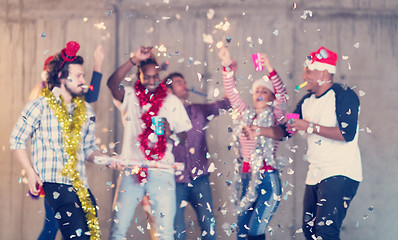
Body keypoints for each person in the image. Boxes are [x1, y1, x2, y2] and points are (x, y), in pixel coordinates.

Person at [10, 41, 121, 240]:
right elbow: (16, 140)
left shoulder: (86, 110)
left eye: (84, 75)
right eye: (78, 75)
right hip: (56, 184)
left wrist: (107, 159)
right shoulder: (39, 106)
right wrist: (30, 172)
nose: (83, 80)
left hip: (81, 187)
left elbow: (88, 149)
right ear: (62, 77)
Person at [107, 46, 192, 240]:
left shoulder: (171, 101)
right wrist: (133, 59)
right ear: (139, 76)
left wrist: (170, 132)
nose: (153, 81)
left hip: (162, 170)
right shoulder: (129, 96)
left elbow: (184, 138)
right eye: (148, 77)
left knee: (165, 234)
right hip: (132, 169)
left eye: (156, 77)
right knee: (118, 231)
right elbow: (112, 84)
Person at [286, 46, 362, 240]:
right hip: (315, 174)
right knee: (310, 231)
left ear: (324, 71)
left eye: (308, 71)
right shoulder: (305, 101)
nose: (304, 77)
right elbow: (286, 129)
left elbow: (347, 133)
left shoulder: (344, 95)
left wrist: (309, 126)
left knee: (325, 232)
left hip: (340, 172)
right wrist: (259, 129)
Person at [32, 44, 105, 240]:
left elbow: (89, 95)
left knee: (59, 226)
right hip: (54, 176)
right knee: (53, 225)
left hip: (69, 177)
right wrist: (97, 63)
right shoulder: (46, 101)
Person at [218, 46, 287, 240]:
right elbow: (231, 93)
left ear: (271, 97)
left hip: (266, 177)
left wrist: (269, 68)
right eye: (257, 90)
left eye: (264, 91)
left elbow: (283, 96)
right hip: (247, 177)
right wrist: (226, 65)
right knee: (241, 231)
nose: (259, 93)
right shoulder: (245, 114)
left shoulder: (275, 115)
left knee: (255, 231)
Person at [164, 72, 231, 240]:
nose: (184, 84)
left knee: (209, 226)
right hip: (174, 180)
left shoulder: (199, 110)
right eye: (179, 82)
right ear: (168, 89)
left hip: (200, 179)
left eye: (184, 81)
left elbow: (226, 103)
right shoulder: (161, 116)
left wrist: (229, 72)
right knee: (177, 231)